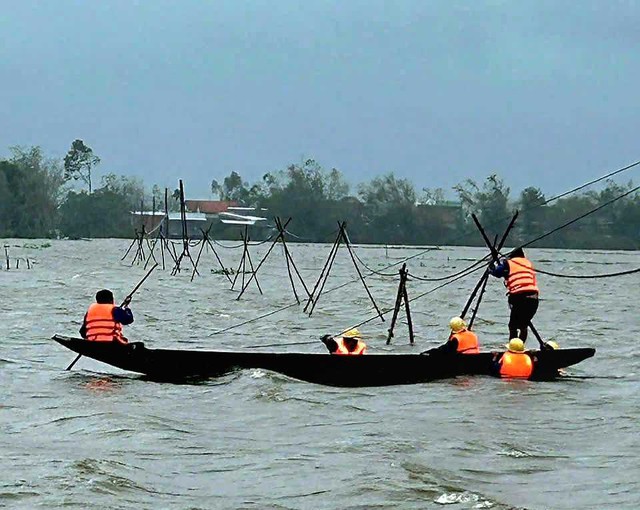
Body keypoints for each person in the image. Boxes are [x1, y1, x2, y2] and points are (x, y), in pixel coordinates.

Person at [489, 247, 539, 342]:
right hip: (534, 298)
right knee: (524, 325)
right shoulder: (528, 263)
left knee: (513, 326)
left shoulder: (509, 263)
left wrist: (490, 266)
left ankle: (514, 348)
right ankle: (520, 346)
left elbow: (497, 272)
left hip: (520, 298)